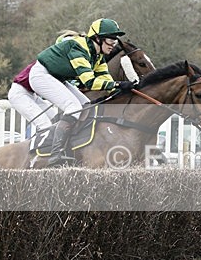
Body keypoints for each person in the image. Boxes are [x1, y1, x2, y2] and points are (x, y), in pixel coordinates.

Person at [29, 18, 135, 167]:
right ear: (97, 38)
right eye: (110, 40)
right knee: (73, 107)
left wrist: (126, 89)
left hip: (58, 78)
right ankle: (55, 154)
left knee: (86, 105)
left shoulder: (98, 56)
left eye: (115, 41)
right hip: (41, 75)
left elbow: (106, 81)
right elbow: (89, 82)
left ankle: (71, 146)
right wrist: (119, 84)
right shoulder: (78, 47)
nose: (113, 44)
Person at [7, 31, 80, 132]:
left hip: (32, 95)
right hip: (19, 94)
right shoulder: (51, 62)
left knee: (56, 120)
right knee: (45, 125)